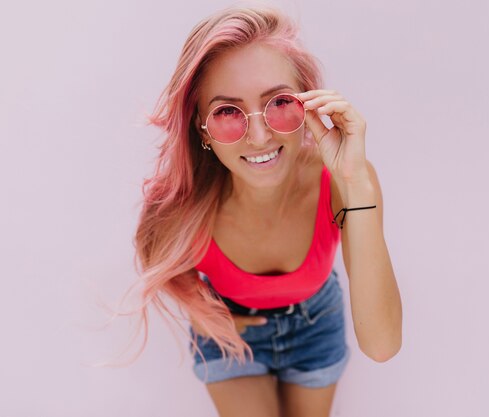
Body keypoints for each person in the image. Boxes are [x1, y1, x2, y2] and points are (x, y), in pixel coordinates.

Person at [133, 5, 402, 417]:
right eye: (226, 111)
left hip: (317, 322)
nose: (259, 136)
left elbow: (382, 345)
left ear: (310, 104)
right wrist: (204, 314)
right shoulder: (180, 209)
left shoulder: (345, 182)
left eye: (279, 102)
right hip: (228, 333)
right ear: (200, 126)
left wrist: (356, 182)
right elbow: (164, 269)